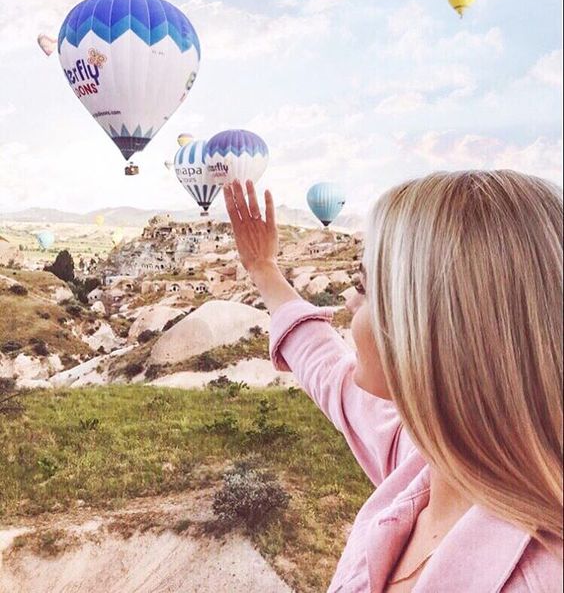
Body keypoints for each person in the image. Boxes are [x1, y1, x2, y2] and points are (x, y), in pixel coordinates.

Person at [223, 172, 563, 592]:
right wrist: (263, 269)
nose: (350, 302)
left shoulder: (544, 575)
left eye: (364, 288)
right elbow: (327, 370)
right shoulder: (428, 460)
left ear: (428, 328)